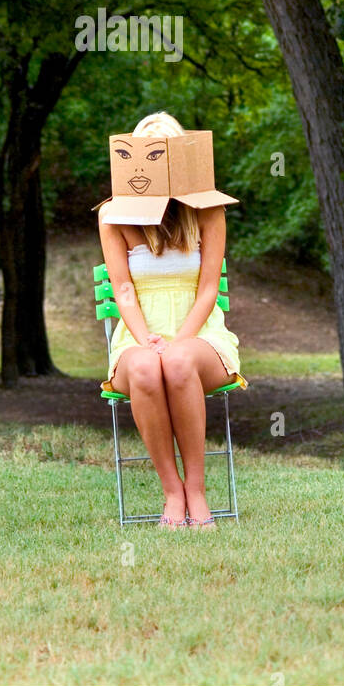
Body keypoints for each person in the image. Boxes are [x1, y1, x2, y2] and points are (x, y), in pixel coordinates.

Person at [97, 112, 242, 529]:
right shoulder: (113, 216)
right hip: (139, 336)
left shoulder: (208, 210)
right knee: (145, 367)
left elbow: (208, 289)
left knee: (177, 361)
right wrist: (146, 341)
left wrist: (178, 341)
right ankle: (172, 493)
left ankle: (197, 491)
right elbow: (123, 289)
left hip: (200, 336)